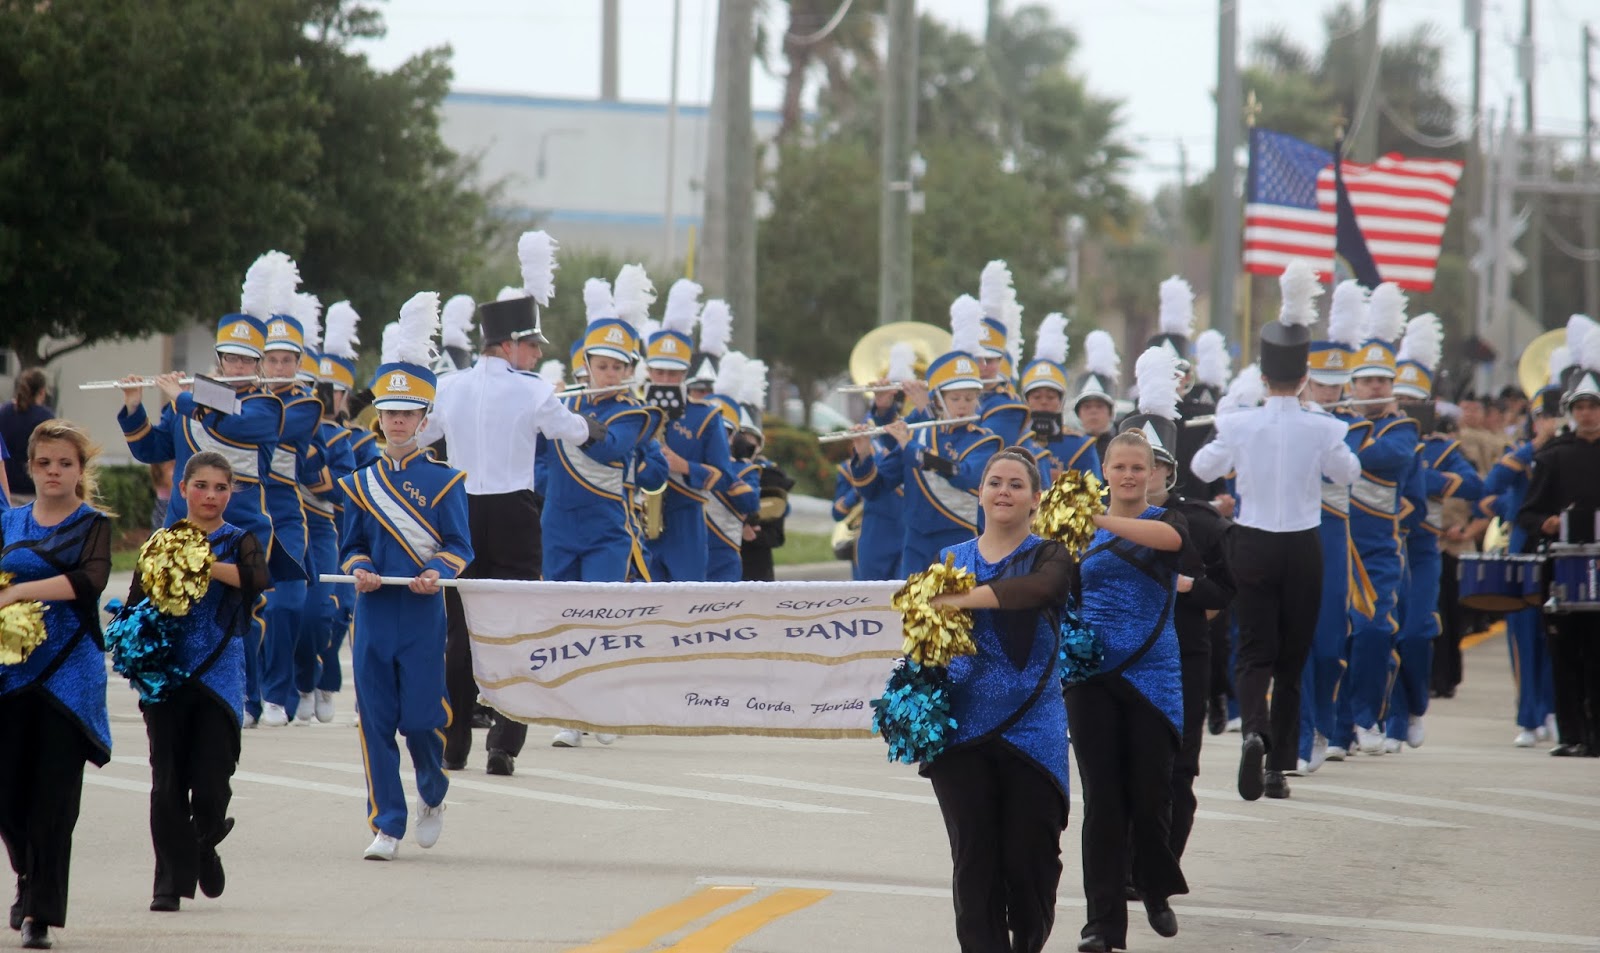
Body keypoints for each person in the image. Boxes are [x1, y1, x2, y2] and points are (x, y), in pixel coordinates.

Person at [419, 244, 602, 775]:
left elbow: (423, 434)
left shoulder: (449, 387)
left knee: (460, 631)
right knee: (515, 630)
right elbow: (571, 431)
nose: (538, 355)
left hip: (459, 513)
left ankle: (454, 740)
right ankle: (503, 744)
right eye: (532, 346)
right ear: (510, 345)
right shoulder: (533, 389)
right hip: (515, 515)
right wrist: (595, 428)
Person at [1190, 262, 1362, 799]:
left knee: (1253, 652)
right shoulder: (1324, 425)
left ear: (1264, 379)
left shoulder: (1240, 423)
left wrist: (1231, 430)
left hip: (1253, 541)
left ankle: (1255, 734)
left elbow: (1202, 470)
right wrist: (1326, 428)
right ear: (1304, 379)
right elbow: (1348, 475)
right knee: (1293, 656)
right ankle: (1277, 764)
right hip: (1303, 546)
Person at [337, 292, 473, 860]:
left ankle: (433, 793)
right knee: (375, 722)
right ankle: (386, 824)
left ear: (423, 420)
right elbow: (351, 548)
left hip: (420, 614)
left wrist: (435, 573)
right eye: (389, 413)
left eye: (407, 414)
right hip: (373, 613)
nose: (396, 422)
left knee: (420, 720)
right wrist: (362, 570)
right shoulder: (358, 482)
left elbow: (461, 547)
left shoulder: (446, 481)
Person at [921, 447, 1072, 953]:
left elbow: (1037, 591)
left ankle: (1027, 941)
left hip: (1034, 729)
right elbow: (927, 643)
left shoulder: (1051, 556)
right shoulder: (947, 562)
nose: (1003, 491)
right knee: (974, 862)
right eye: (994, 482)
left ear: (1035, 500)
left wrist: (963, 597)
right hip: (962, 732)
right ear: (979, 493)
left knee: (1031, 864)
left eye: (1015, 484)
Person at [117, 313, 285, 730]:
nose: (239, 368)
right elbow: (151, 449)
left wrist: (184, 398)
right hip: (182, 523)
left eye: (247, 361)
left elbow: (237, 425)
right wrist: (134, 406)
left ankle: (246, 697)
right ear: (220, 359)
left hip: (240, 527)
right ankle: (173, 684)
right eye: (231, 359)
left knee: (240, 609)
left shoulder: (265, 406)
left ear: (258, 364)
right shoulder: (189, 399)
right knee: (177, 606)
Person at [124, 452, 269, 913]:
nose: (210, 496)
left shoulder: (238, 540)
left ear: (231, 493)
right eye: (201, 486)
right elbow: (133, 605)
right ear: (183, 488)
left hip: (220, 676)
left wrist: (198, 565)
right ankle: (168, 882)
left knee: (211, 783)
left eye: (221, 488)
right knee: (166, 781)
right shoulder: (160, 542)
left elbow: (256, 579)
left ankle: (205, 839)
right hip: (166, 677)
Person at [1066, 430, 1189, 952]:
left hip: (1151, 673)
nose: (1130, 475)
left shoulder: (1167, 522)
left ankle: (1155, 884)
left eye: (1139, 467)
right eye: (1120, 467)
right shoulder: (1072, 532)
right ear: (1106, 472)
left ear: (1155, 473)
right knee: (1102, 799)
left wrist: (1090, 518)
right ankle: (1102, 924)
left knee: (1150, 792)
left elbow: (1174, 547)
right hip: (1091, 677)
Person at [0, 420, 114, 951]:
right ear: (30, 467)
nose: (53, 472)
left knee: (54, 799)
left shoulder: (92, 524)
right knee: (7, 795)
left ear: (79, 471)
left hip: (70, 676)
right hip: (10, 676)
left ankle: (40, 915)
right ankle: (27, 876)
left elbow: (88, 582)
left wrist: (16, 591)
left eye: (64, 464)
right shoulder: (9, 521)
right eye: (44, 463)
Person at [541, 272, 663, 747]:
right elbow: (531, 463)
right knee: (563, 621)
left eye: (617, 367)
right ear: (585, 365)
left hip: (607, 530)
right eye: (601, 365)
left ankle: (599, 709)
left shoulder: (633, 413)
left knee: (600, 618)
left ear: (628, 370)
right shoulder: (559, 406)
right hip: (556, 527)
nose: (608, 374)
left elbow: (610, 450)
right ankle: (573, 710)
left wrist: (564, 417)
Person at [1131, 389, 1234, 860]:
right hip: (1116, 659)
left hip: (1182, 658)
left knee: (1177, 767)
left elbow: (1227, 591)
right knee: (1119, 770)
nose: (1140, 474)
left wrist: (1188, 588)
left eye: (1151, 466)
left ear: (1170, 472)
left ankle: (1161, 864)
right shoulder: (1091, 522)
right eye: (1130, 464)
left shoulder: (1201, 522)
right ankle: (1125, 866)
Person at [1387, 316, 1482, 751]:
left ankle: (1413, 708)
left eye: (1414, 401)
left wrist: (1427, 480)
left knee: (1416, 632)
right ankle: (1384, 720)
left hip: (1424, 548)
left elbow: (1475, 486)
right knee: (1377, 633)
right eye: (1399, 399)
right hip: (1379, 546)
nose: (1405, 408)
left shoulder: (1441, 448)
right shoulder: (1377, 440)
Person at [1337, 283, 1419, 757]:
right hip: (1335, 546)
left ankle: (1367, 717)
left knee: (1373, 632)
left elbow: (1390, 458)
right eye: (1367, 381)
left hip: (1378, 550)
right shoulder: (1334, 422)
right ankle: (1339, 726)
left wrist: (1349, 440)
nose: (1375, 388)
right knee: (1334, 639)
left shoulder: (1402, 427)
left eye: (1382, 382)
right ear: (1352, 387)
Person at [1517, 345, 1600, 757]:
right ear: (1571, 410)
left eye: (1594, 406)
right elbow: (1527, 514)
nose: (1587, 413)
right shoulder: (1553, 457)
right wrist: (1545, 522)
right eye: (1581, 406)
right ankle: (1571, 735)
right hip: (1564, 568)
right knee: (1565, 654)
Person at [1476, 387, 1562, 745]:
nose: (1548, 423)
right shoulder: (1521, 455)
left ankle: (1554, 710)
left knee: (1557, 635)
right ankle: (1529, 717)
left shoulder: (1572, 454)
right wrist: (1534, 447)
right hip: (1523, 552)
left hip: (1562, 551)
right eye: (1542, 416)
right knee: (1523, 636)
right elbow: (1490, 488)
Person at [641, 279, 737, 583]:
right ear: (648, 370)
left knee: (686, 604)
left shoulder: (707, 417)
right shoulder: (633, 410)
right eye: (659, 371)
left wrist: (683, 467)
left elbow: (725, 477)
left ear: (685, 373)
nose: (666, 379)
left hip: (687, 521)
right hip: (638, 518)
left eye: (674, 372)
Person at [1018, 313, 1102, 485]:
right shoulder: (1014, 439)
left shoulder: (1081, 445)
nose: (1044, 402)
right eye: (1036, 396)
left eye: (1051, 396)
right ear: (1025, 400)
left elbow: (1097, 493)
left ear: (1061, 401)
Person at [0, 369, 53, 504]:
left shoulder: (4, 413)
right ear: (42, 392)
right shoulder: (45, 417)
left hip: (7, 490)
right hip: (35, 490)